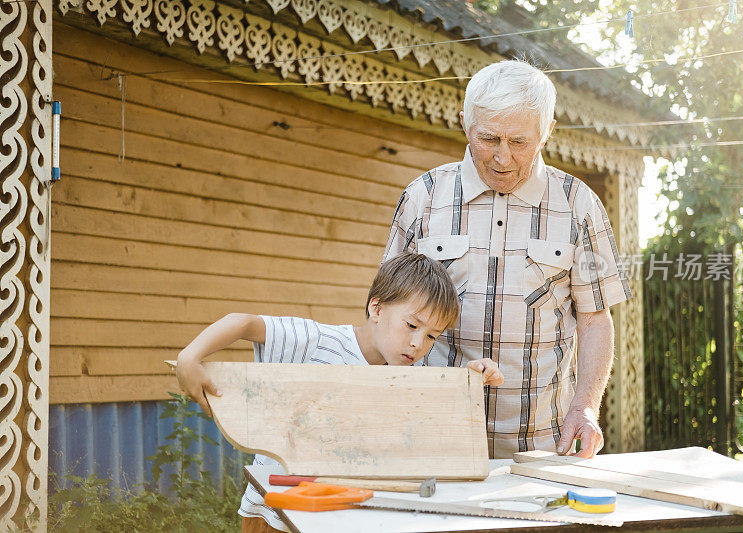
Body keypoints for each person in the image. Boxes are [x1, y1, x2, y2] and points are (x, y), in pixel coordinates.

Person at [383, 60, 631, 460]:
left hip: (544, 444)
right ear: (465, 123)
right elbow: (384, 313)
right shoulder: (422, 198)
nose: (502, 158)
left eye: (519, 142)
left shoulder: (579, 205)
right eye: (488, 138)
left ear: (547, 132)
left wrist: (585, 407)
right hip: (434, 435)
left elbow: (595, 318)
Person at [176, 252, 504, 533]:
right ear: (376, 309)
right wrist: (189, 357)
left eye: (432, 336)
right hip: (276, 513)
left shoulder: (411, 376)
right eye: (411, 325)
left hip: (344, 515)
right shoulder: (318, 340)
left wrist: (469, 380)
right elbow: (243, 323)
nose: (419, 344)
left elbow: (432, 419)